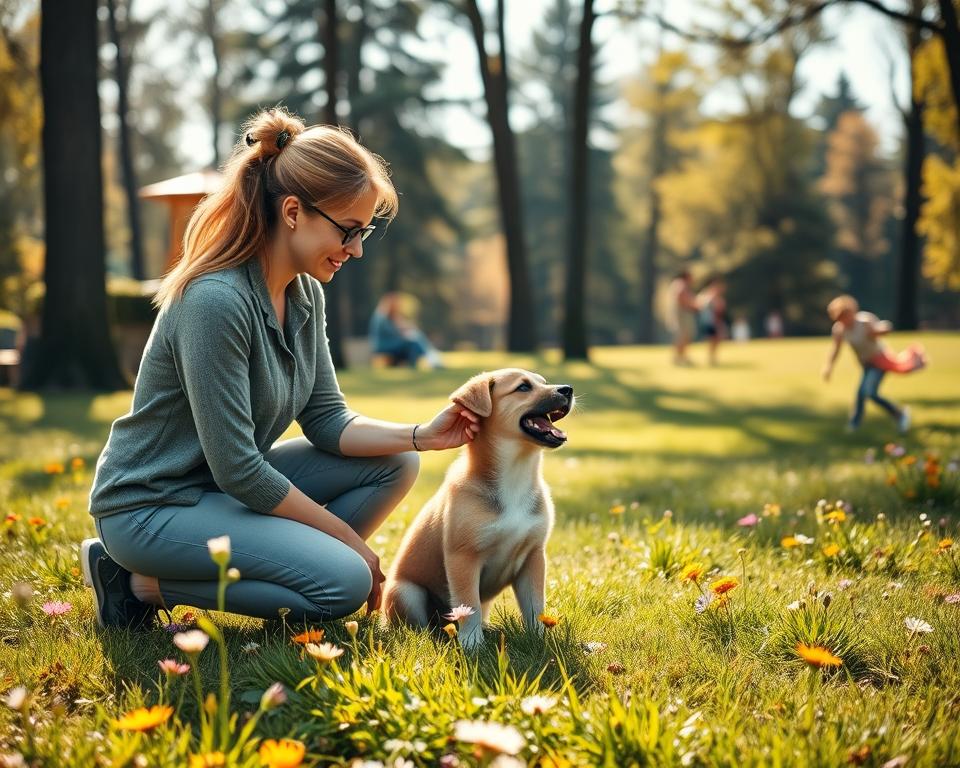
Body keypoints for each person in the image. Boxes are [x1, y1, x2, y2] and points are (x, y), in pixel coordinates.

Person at [81, 108, 481, 630]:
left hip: (218, 494)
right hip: (151, 508)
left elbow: (327, 419)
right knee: (344, 583)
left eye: (365, 233)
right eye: (349, 231)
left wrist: (422, 436)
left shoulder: (305, 294)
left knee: (396, 462)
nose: (357, 250)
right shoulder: (215, 302)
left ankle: (299, 572)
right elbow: (241, 470)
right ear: (293, 212)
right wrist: (347, 543)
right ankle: (131, 583)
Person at [821, 295, 926, 433]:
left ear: (851, 312)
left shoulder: (864, 321)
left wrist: (883, 329)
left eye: (845, 316)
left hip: (879, 361)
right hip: (866, 364)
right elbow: (836, 349)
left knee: (869, 393)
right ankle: (854, 425)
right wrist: (829, 367)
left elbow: (879, 330)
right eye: (839, 318)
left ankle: (900, 414)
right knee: (860, 394)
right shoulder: (839, 329)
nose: (843, 321)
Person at [369, 292, 444, 369]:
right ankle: (424, 360)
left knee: (415, 337)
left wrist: (408, 327)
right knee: (413, 342)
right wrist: (405, 330)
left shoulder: (388, 316)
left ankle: (430, 357)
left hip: (392, 343)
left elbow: (399, 328)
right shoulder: (381, 317)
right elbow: (395, 333)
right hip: (384, 345)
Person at [668, 269, 698, 366]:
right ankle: (679, 358)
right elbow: (681, 296)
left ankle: (681, 357)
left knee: (684, 336)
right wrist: (692, 304)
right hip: (682, 314)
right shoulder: (681, 283)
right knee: (683, 336)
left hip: (682, 313)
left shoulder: (678, 283)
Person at [697, 274, 727, 366]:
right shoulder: (707, 295)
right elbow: (701, 304)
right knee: (713, 339)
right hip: (710, 321)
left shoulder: (715, 296)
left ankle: (712, 357)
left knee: (716, 339)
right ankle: (711, 357)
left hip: (715, 320)